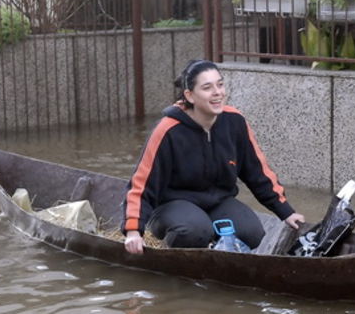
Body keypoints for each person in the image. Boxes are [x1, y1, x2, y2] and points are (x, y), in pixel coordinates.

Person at [122, 59, 305, 254]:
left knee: (252, 232)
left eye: (220, 84)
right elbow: (141, 184)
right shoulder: (167, 130)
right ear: (189, 96)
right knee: (194, 231)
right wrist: (133, 230)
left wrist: (286, 212)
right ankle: (177, 258)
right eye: (207, 88)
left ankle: (215, 249)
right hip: (172, 206)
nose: (217, 92)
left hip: (218, 202)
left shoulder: (234, 121)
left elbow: (258, 172)